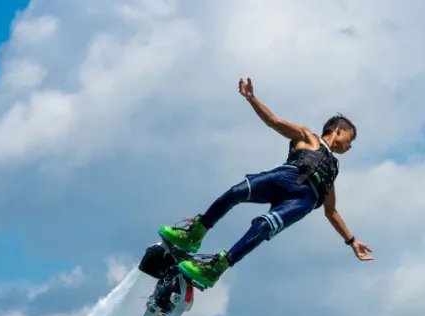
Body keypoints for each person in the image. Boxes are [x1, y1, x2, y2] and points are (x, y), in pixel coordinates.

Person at [158, 78, 373, 288]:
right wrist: (252, 99)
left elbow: (331, 212)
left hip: (302, 200)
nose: (350, 146)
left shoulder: (333, 169)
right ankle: (194, 234)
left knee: (262, 226)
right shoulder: (308, 136)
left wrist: (351, 241)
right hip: (285, 176)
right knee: (236, 192)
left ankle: (215, 268)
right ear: (339, 130)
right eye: (350, 139)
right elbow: (274, 121)